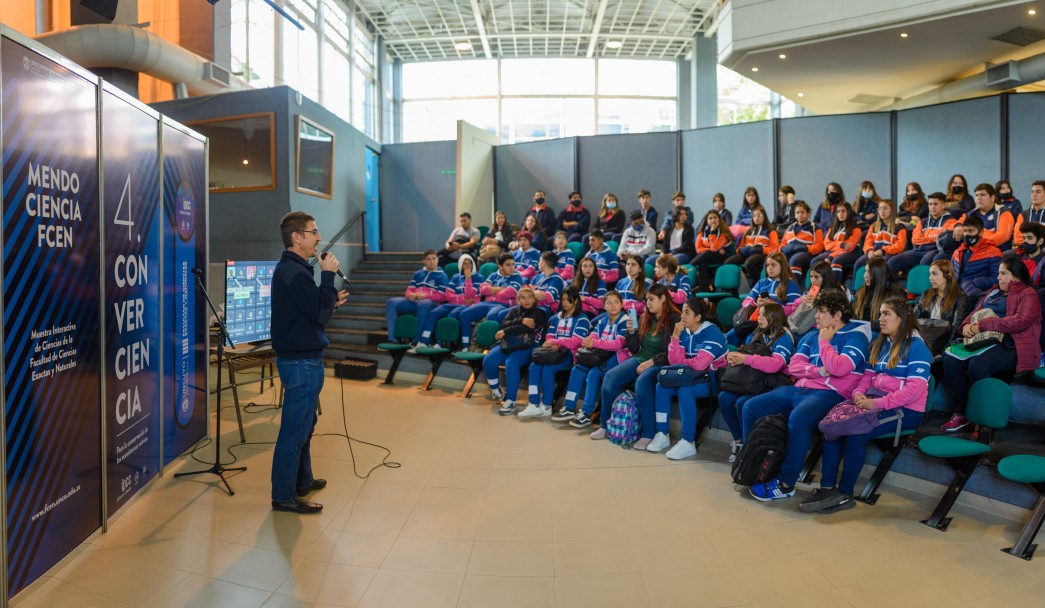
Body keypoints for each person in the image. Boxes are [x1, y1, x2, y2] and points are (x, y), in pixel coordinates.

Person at [800, 297, 932, 514]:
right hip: (876, 401)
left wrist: (877, 402)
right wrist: (859, 393)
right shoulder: (882, 342)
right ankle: (827, 488)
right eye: (880, 313)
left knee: (855, 433)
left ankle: (845, 493)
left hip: (905, 410)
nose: (880, 319)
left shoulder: (917, 347)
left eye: (887, 314)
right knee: (833, 425)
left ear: (903, 317)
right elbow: (868, 375)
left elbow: (914, 391)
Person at [742, 288, 870, 501]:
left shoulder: (856, 337)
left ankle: (786, 483)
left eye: (821, 311)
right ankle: (753, 464)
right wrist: (818, 371)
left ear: (837, 315)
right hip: (801, 389)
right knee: (751, 406)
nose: (816, 316)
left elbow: (839, 368)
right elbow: (794, 366)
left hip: (832, 394)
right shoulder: (811, 334)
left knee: (799, 418)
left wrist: (825, 342)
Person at [270, 212, 349, 514]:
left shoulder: (297, 270)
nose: (319, 237)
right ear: (296, 237)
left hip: (306, 360)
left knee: (305, 426)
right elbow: (319, 314)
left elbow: (315, 310)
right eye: (313, 232)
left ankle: (302, 481)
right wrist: (328, 275)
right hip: (301, 364)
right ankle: (283, 496)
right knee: (294, 431)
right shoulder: (294, 272)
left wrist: (329, 300)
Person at [941, 257, 1042, 432]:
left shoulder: (1029, 294)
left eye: (1003, 274)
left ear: (1016, 277)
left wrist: (982, 325)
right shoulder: (992, 292)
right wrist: (965, 327)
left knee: (978, 365)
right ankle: (961, 414)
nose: (998, 278)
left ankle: (983, 418)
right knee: (950, 362)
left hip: (1012, 343)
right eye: (998, 274)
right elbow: (974, 313)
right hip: (983, 339)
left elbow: (1020, 321)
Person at [594, 284, 681, 447]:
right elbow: (634, 349)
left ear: (663, 299)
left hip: (663, 363)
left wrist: (653, 361)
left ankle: (648, 433)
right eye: (646, 300)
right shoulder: (645, 317)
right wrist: (632, 332)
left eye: (651, 299)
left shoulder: (675, 319)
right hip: (641, 358)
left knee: (642, 381)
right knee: (610, 377)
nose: (648, 303)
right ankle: (606, 425)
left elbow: (673, 352)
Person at [649, 297, 728, 459]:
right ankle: (662, 434)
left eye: (686, 313)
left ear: (698, 317)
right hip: (691, 375)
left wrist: (683, 362)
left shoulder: (713, 333)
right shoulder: (684, 332)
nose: (682, 317)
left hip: (713, 378)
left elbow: (700, 364)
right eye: (682, 312)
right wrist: (675, 337)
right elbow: (673, 362)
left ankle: (688, 441)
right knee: (661, 387)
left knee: (686, 391)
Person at [718, 302, 795, 463]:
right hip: (755, 379)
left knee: (742, 402)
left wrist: (745, 358)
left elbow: (776, 365)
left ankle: (749, 447)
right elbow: (748, 354)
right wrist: (736, 357)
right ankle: (739, 441)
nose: (758, 318)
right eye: (758, 314)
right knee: (724, 397)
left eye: (763, 315)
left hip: (774, 383)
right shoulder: (758, 333)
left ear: (774, 317)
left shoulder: (784, 337)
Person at [557, 291, 630, 427]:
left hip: (617, 358)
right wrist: (587, 340)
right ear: (604, 307)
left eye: (616, 302)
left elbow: (618, 345)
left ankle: (586, 413)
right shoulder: (603, 321)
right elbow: (594, 336)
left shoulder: (625, 321)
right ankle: (569, 407)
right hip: (601, 355)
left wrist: (595, 343)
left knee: (593, 374)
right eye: (609, 303)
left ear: (621, 305)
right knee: (578, 369)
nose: (613, 305)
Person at [520, 287, 591, 419]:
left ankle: (547, 406)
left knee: (548, 369)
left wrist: (558, 342)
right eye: (562, 299)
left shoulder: (582, 319)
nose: (564, 303)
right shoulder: (555, 318)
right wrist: (553, 343)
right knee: (534, 367)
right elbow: (549, 337)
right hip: (553, 352)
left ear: (575, 301)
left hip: (569, 355)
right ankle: (533, 404)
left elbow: (576, 342)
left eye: (568, 300)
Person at [485, 287, 549, 415]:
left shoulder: (539, 313)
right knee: (489, 360)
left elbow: (525, 329)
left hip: (527, 346)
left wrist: (506, 331)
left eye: (529, 297)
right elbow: (505, 323)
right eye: (523, 297)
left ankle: (510, 401)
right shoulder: (514, 310)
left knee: (511, 362)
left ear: (534, 299)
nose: (527, 300)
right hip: (509, 343)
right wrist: (521, 320)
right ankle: (496, 390)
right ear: (518, 299)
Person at [415, 254, 484, 348]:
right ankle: (424, 341)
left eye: (469, 264)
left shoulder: (479, 277)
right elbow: (448, 295)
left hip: (468, 306)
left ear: (473, 264)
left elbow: (470, 295)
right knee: (433, 313)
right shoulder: (456, 277)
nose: (467, 266)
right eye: (465, 264)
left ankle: (440, 342)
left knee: (452, 315)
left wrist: (468, 279)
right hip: (454, 303)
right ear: (461, 265)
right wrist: (461, 298)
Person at [385, 249, 448, 347]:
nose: (431, 261)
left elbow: (442, 296)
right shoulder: (418, 274)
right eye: (428, 259)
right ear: (424, 261)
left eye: (433, 259)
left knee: (423, 304)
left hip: (431, 303)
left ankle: (417, 340)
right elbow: (410, 289)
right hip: (415, 301)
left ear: (437, 260)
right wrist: (410, 295)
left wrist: (426, 296)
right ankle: (392, 338)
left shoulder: (442, 275)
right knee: (391, 302)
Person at [457, 253, 523, 346]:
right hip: (486, 303)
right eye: (508, 265)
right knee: (464, 314)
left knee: (492, 316)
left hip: (502, 305)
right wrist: (501, 288)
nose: (512, 267)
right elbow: (483, 289)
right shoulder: (493, 275)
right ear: (500, 266)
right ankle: (465, 345)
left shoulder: (517, 277)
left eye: (513, 264)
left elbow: (510, 292)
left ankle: (490, 346)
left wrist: (491, 290)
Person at [888, 192, 956, 275]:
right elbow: (915, 240)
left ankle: (925, 288)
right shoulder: (922, 221)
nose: (932, 207)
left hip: (935, 250)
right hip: (917, 251)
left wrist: (925, 236)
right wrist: (933, 237)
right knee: (892, 262)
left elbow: (942, 239)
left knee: (925, 262)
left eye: (935, 204)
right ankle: (894, 288)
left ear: (943, 205)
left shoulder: (950, 220)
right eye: (930, 204)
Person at [913, 260, 968, 358]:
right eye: (930, 274)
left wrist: (943, 352)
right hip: (923, 339)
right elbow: (913, 320)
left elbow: (955, 330)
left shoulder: (960, 297)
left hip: (941, 344)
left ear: (948, 275)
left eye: (934, 274)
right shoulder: (927, 294)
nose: (930, 278)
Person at [953, 183, 1016, 253]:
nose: (978, 198)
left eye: (982, 195)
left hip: (996, 254)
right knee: (949, 239)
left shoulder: (1003, 213)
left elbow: (1001, 237)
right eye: (976, 195)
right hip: (973, 251)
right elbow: (959, 221)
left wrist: (977, 240)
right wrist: (958, 226)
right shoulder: (972, 213)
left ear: (992, 198)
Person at [951, 215, 1003, 300]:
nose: (967, 234)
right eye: (965, 231)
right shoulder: (957, 252)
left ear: (981, 232)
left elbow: (997, 278)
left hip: (979, 294)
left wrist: (975, 283)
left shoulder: (993, 252)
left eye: (971, 231)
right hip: (958, 293)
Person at [810, 202, 862, 282]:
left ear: (849, 212)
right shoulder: (833, 228)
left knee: (836, 261)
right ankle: (815, 289)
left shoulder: (856, 229)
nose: (840, 214)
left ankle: (835, 289)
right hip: (832, 252)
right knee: (815, 261)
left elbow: (848, 247)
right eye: (838, 211)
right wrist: (841, 244)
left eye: (843, 211)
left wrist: (831, 256)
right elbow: (827, 244)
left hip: (850, 253)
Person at [725, 205, 778, 282]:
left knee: (749, 263)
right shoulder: (748, 231)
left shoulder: (771, 231)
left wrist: (761, 249)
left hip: (762, 254)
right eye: (754, 216)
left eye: (759, 215)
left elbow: (774, 248)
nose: (757, 218)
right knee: (728, 263)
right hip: (747, 253)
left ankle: (757, 283)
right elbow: (740, 247)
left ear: (764, 217)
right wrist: (741, 250)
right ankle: (734, 286)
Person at [854, 199, 907, 274]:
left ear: (892, 210)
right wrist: (869, 251)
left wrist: (883, 251)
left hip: (889, 254)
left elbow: (900, 246)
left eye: (885, 208)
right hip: (873, 253)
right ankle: (857, 286)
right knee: (858, 264)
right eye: (880, 209)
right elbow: (867, 242)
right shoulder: (873, 226)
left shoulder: (900, 227)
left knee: (880, 265)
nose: (882, 211)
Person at [851, 258, 904, 333]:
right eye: (865, 271)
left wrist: (864, 326)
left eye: (869, 272)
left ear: (878, 274)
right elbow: (854, 315)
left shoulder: (894, 293)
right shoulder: (861, 291)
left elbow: (890, 322)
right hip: (862, 331)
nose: (864, 276)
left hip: (881, 334)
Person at [780, 201, 824, 281]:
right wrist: (783, 248)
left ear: (808, 213)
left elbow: (819, 246)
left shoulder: (814, 228)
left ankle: (794, 287)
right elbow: (782, 243)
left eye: (802, 212)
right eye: (797, 213)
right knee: (775, 259)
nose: (800, 215)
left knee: (795, 259)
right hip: (790, 252)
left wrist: (806, 248)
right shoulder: (790, 227)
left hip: (806, 253)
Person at [692, 210, 732, 292]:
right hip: (709, 256)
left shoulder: (723, 232)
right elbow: (698, 249)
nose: (713, 220)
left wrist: (713, 232)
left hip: (723, 257)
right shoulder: (702, 232)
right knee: (702, 263)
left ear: (719, 219)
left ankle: (690, 266)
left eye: (715, 218)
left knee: (707, 253)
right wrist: (711, 250)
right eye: (710, 218)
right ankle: (706, 289)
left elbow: (714, 247)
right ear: (706, 220)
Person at [530, 251, 567, 319]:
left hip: (546, 309)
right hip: (530, 305)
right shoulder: (537, 277)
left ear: (543, 263)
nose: (538, 263)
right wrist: (533, 293)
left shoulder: (557, 279)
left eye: (539, 261)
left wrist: (531, 294)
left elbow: (548, 298)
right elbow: (524, 290)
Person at [1013, 180, 1045, 250]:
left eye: (1038, 192)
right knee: (1005, 256)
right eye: (1032, 192)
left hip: (1043, 250)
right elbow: (1017, 238)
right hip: (1025, 249)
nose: (1034, 194)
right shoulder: (1023, 214)